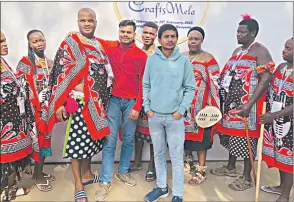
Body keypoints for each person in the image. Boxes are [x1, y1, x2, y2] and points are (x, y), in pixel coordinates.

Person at [47, 8, 113, 202]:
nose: (86, 23)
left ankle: (87, 174)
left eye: (90, 20)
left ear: (95, 22)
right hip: (78, 104)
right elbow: (59, 73)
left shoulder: (98, 44)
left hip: (98, 105)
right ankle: (78, 184)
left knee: (90, 142)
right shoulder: (70, 43)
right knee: (77, 143)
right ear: (77, 22)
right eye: (82, 20)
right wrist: (60, 104)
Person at [210, 15, 275, 191]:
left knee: (247, 141)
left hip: (249, 106)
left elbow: (266, 78)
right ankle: (231, 167)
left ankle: (246, 177)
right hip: (232, 105)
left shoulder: (260, 51)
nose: (238, 34)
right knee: (232, 136)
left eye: (242, 32)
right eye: (237, 31)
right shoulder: (237, 51)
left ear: (253, 33)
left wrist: (250, 104)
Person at [93, 20, 147, 202]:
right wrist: (73, 34)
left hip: (131, 103)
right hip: (114, 100)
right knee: (110, 140)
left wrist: (137, 107)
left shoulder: (141, 55)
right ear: (119, 31)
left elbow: (144, 84)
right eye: (122, 31)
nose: (125, 34)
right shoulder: (110, 47)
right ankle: (106, 180)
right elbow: (93, 38)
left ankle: (123, 171)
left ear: (134, 34)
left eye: (128, 32)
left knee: (129, 139)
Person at [143, 24, 196, 202]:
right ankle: (162, 187)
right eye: (166, 36)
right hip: (155, 116)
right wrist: (147, 108)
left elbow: (190, 88)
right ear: (160, 39)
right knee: (158, 154)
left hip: (174, 117)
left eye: (173, 36)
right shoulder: (152, 59)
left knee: (176, 156)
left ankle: (177, 194)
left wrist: (180, 111)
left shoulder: (184, 61)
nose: (170, 39)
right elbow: (146, 85)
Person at [0, 31, 39, 202]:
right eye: (0, 42)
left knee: (11, 161)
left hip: (15, 123)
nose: (5, 44)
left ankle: (10, 189)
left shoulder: (3, 62)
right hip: (5, 127)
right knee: (6, 162)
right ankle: (6, 193)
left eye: (5, 40)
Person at [16, 29, 55, 192]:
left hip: (48, 111)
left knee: (46, 142)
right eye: (35, 41)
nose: (39, 44)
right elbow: (21, 89)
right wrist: (37, 100)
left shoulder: (49, 62)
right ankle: (36, 176)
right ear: (29, 44)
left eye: (41, 40)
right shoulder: (25, 62)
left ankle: (39, 171)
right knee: (37, 143)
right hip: (34, 112)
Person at [182, 26, 220, 185]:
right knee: (184, 137)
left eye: (196, 39)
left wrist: (211, 106)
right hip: (183, 107)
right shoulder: (181, 57)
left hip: (201, 107)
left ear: (202, 40)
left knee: (201, 140)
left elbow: (216, 85)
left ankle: (201, 169)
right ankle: (188, 161)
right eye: (190, 38)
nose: (193, 42)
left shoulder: (208, 59)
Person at [260, 37, 293, 202]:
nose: (284, 51)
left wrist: (274, 115)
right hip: (275, 119)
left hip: (290, 124)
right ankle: (281, 186)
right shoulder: (281, 68)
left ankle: (285, 195)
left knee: (288, 158)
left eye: (288, 48)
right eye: (285, 47)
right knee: (279, 155)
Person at [130, 21, 158, 182]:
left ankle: (152, 167)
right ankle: (138, 162)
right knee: (137, 132)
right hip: (137, 97)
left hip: (153, 99)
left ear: (156, 36)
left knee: (155, 134)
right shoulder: (137, 51)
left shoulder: (159, 53)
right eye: (145, 33)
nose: (148, 36)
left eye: (151, 34)